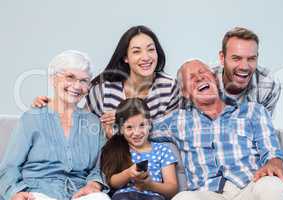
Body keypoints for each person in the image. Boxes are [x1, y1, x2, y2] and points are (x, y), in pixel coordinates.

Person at [151, 59, 283, 200]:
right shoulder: (177, 121)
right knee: (183, 198)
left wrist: (275, 164)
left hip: (251, 186)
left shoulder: (253, 111)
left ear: (215, 80)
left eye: (203, 72)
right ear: (185, 92)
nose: (199, 77)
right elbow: (139, 127)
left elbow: (272, 152)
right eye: (191, 77)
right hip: (208, 193)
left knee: (272, 185)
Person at [32, 25, 179, 138]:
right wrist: (51, 106)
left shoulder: (169, 88)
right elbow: (80, 126)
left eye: (151, 50)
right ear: (125, 57)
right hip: (112, 164)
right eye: (136, 51)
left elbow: (173, 133)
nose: (146, 57)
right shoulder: (104, 90)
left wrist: (125, 118)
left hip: (153, 165)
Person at [0, 50, 110, 200]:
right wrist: (15, 192)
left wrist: (94, 185)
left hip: (78, 193)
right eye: (70, 77)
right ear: (53, 79)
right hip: (38, 192)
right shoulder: (32, 118)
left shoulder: (93, 122)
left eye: (83, 80)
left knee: (101, 198)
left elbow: (100, 167)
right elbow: (10, 167)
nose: (77, 86)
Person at [100, 98, 178, 200]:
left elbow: (172, 189)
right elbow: (112, 182)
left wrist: (150, 185)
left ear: (149, 124)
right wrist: (128, 173)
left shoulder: (162, 150)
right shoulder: (117, 149)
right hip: (123, 196)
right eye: (129, 127)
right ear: (121, 129)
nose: (136, 133)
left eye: (142, 125)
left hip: (153, 196)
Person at [214, 27, 281, 115]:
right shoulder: (203, 81)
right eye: (236, 58)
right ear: (222, 58)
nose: (244, 67)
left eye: (251, 59)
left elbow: (262, 126)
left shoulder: (269, 84)